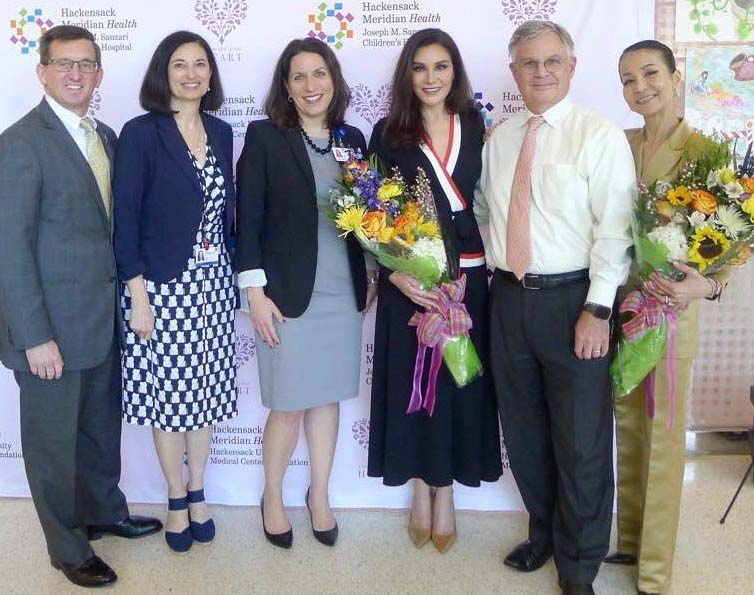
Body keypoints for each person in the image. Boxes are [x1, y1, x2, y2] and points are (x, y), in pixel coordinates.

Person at [475, 20, 635, 595]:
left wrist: (598, 308)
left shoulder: (599, 135)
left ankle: (579, 564)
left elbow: (615, 232)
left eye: (551, 62)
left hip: (576, 303)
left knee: (582, 441)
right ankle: (542, 530)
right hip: (509, 300)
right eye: (527, 63)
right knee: (524, 432)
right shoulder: (501, 138)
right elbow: (489, 217)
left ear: (570, 66)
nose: (539, 72)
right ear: (513, 70)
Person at [0, 25, 161, 588]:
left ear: (99, 74)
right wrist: (32, 336)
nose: (76, 74)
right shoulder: (19, 143)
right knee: (51, 445)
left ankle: (103, 512)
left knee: (99, 430)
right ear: (41, 71)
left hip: (101, 322)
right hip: (48, 333)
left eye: (86, 64)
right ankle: (67, 548)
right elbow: (9, 249)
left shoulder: (107, 136)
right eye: (64, 63)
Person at [367, 28, 502, 553]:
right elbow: (372, 217)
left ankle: (447, 495)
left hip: (469, 282)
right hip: (412, 285)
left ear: (455, 72)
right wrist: (391, 272)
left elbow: (491, 202)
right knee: (415, 392)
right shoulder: (388, 132)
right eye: (419, 68)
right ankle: (421, 491)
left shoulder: (476, 124)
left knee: (460, 388)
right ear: (407, 75)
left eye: (440, 67)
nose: (430, 78)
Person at [235, 37, 368, 549]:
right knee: (288, 404)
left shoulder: (352, 139)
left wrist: (375, 275)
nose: (311, 86)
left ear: (333, 81)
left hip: (341, 291)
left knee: (328, 399)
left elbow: (370, 219)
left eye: (320, 74)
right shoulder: (266, 137)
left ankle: (320, 496)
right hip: (286, 296)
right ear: (286, 88)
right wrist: (255, 292)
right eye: (299, 77)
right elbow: (247, 220)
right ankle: (272, 496)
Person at [604, 40, 724, 595]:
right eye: (628, 79)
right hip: (625, 307)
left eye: (650, 73)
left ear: (678, 77)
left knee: (665, 435)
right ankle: (629, 540)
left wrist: (711, 284)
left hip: (673, 314)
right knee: (627, 426)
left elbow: (732, 238)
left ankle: (654, 572)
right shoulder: (618, 144)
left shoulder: (704, 151)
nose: (640, 87)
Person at [113, 31, 236, 553]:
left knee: (203, 395)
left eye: (200, 65)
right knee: (169, 399)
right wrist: (137, 293)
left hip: (213, 283)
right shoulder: (141, 133)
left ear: (211, 74)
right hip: (160, 286)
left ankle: (200, 488)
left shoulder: (223, 131)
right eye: (180, 64)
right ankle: (174, 497)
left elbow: (223, 214)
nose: (191, 74)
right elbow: (127, 217)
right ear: (164, 72)